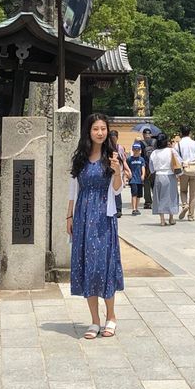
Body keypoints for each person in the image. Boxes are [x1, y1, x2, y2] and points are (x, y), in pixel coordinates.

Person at [67, 113, 125, 339]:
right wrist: (69, 216)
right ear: (88, 132)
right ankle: (94, 320)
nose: (100, 132)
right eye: (95, 129)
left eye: (103, 129)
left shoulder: (112, 156)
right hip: (82, 215)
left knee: (103, 264)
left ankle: (111, 316)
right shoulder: (80, 157)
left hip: (103, 216)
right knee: (87, 264)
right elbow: (73, 189)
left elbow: (118, 190)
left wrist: (117, 170)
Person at [148, 133, 181, 226]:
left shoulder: (154, 153)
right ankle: (171, 218)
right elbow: (179, 162)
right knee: (172, 196)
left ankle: (162, 220)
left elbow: (151, 168)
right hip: (170, 175)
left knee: (159, 197)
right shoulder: (171, 151)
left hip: (158, 176)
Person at [176, 127, 195, 221]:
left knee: (183, 191)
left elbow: (176, 159)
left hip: (184, 169)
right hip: (194, 169)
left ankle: (184, 205)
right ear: (190, 133)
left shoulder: (177, 145)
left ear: (181, 133)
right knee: (193, 193)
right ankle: (191, 215)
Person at [127, 138, 146, 216]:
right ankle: (134, 209)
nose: (136, 151)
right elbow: (127, 168)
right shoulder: (129, 159)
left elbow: (143, 167)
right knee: (134, 194)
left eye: (138, 149)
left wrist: (143, 175)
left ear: (140, 150)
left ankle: (137, 208)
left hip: (139, 179)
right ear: (133, 150)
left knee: (139, 195)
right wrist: (127, 175)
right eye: (135, 149)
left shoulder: (141, 159)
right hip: (133, 180)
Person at [140, 129, 155, 210]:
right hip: (155, 166)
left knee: (146, 185)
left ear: (143, 134)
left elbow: (140, 155)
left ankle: (148, 203)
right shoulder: (155, 142)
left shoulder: (141, 143)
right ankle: (156, 201)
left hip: (145, 166)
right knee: (155, 185)